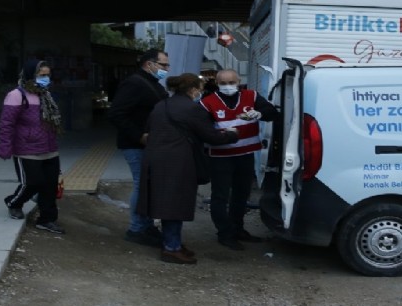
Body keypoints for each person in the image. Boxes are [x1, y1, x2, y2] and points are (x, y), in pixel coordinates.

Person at [137, 73, 239, 264]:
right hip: (178, 162)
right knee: (175, 205)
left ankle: (172, 242)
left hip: (155, 160)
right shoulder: (192, 108)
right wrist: (233, 135)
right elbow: (212, 137)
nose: (200, 93)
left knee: (167, 204)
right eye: (199, 89)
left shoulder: (161, 105)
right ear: (192, 90)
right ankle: (172, 248)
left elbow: (149, 130)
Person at [200, 69, 280, 250]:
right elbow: (203, 129)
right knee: (220, 196)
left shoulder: (251, 96)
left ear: (238, 82)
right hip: (221, 157)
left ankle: (238, 228)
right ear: (217, 84)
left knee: (241, 194)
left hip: (245, 154)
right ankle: (224, 233)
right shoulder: (207, 102)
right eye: (223, 83)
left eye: (231, 82)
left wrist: (260, 114)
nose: (228, 86)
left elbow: (272, 112)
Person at [107, 48, 170, 247]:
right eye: (163, 65)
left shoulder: (151, 83)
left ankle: (145, 225)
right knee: (141, 185)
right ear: (149, 64)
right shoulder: (134, 83)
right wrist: (138, 135)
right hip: (136, 145)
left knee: (147, 186)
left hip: (149, 144)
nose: (166, 69)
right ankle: (136, 229)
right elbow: (116, 113)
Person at [0, 59, 65, 234]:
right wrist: (5, 146)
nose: (46, 78)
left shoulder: (46, 95)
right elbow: (6, 123)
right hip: (27, 148)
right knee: (32, 183)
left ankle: (47, 219)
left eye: (48, 75)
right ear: (30, 75)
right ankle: (14, 203)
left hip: (49, 148)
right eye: (42, 75)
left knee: (50, 186)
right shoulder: (17, 95)